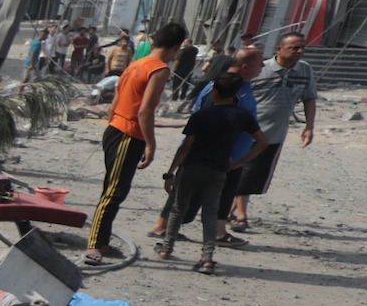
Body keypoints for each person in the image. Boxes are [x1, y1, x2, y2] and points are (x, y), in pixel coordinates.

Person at [83, 21, 183, 266]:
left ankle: (102, 240)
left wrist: (111, 125)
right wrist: (151, 144)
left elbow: (116, 101)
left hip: (115, 128)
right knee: (114, 191)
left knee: (113, 188)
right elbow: (145, 111)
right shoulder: (159, 70)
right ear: (175, 48)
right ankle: (95, 245)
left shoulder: (136, 63)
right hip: (129, 134)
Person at [160, 70, 258, 274]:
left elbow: (186, 147)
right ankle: (206, 257)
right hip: (219, 169)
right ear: (237, 93)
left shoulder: (200, 116)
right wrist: (239, 163)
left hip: (192, 167)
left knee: (179, 208)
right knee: (210, 212)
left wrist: (170, 172)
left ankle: (167, 248)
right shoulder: (242, 116)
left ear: (213, 92)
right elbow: (262, 142)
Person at [233, 31, 317, 230]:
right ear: (279, 49)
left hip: (275, 134)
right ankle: (241, 215)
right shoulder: (260, 69)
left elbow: (309, 98)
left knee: (256, 176)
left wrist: (309, 126)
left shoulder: (305, 70)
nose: (299, 51)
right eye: (294, 47)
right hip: (248, 132)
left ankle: (230, 209)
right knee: (243, 172)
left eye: (302, 47)